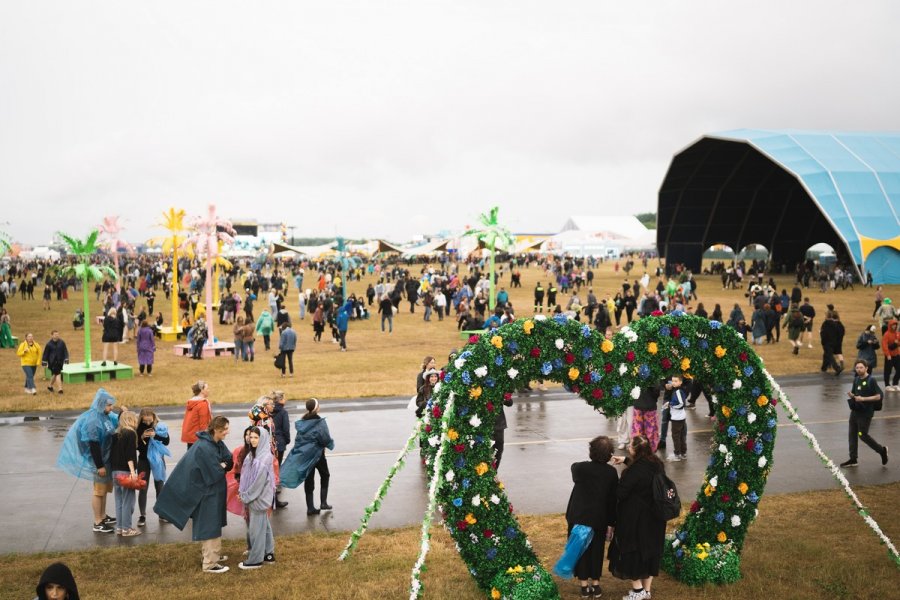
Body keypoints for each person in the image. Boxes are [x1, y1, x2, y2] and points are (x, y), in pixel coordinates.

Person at [155, 416, 233, 573]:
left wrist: (223, 465)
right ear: (216, 430)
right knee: (210, 525)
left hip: (213, 491)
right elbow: (216, 472)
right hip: (207, 493)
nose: (227, 432)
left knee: (213, 523)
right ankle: (210, 563)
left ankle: (212, 555)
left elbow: (229, 459)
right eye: (225, 429)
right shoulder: (205, 448)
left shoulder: (214, 443)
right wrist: (223, 466)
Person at [608, 435, 667, 600]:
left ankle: (638, 591)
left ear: (636, 449)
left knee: (632, 551)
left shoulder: (633, 471)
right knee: (650, 553)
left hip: (636, 519)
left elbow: (621, 493)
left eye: (630, 446)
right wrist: (626, 460)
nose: (628, 448)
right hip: (655, 518)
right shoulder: (657, 463)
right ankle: (647, 591)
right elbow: (644, 473)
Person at [56, 388, 118, 533]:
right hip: (99, 462)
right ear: (102, 405)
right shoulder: (93, 421)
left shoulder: (104, 416)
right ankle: (97, 522)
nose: (111, 408)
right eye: (109, 405)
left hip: (105, 459)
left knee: (103, 491)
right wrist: (99, 465)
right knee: (98, 491)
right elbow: (93, 445)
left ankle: (103, 516)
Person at [564, 436, 617, 599]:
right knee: (596, 550)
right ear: (610, 454)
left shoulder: (581, 469)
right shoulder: (611, 472)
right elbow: (613, 498)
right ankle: (596, 584)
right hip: (599, 519)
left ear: (591, 452)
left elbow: (573, 468)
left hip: (579, 517)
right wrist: (611, 522)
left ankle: (584, 586)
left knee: (579, 550)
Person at [280, 398, 335, 515]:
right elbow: (325, 438)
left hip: (305, 457)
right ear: (317, 408)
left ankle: (310, 508)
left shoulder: (302, 422)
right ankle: (323, 502)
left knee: (309, 480)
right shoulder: (319, 422)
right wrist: (330, 444)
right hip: (318, 455)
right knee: (325, 475)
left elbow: (299, 440)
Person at [237, 426, 277, 569]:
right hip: (256, 498)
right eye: (251, 437)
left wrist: (246, 496)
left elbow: (258, 483)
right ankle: (268, 553)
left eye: (256, 437)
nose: (252, 440)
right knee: (264, 527)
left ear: (263, 438)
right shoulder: (254, 454)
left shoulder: (264, 457)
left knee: (256, 531)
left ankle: (255, 560)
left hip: (258, 499)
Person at [840, 361, 888, 468]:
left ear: (866, 368)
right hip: (855, 411)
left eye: (861, 367)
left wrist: (864, 399)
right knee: (852, 434)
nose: (859, 369)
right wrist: (851, 395)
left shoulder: (871, 380)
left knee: (863, 435)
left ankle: (882, 450)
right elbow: (855, 394)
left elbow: (878, 396)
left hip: (865, 413)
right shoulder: (856, 379)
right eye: (857, 367)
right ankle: (853, 459)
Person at [136, 408, 171, 527]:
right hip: (144, 460)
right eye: (145, 421)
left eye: (149, 420)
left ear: (153, 417)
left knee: (160, 487)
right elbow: (137, 447)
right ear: (141, 419)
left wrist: (155, 435)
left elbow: (166, 441)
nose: (147, 423)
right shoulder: (138, 427)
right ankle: (142, 515)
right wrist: (142, 437)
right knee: (143, 488)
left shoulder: (159, 425)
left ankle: (162, 513)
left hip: (158, 460)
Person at [110, 411, 141, 536]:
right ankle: (127, 529)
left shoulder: (115, 434)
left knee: (119, 501)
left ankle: (120, 528)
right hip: (125, 471)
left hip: (115, 471)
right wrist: (133, 472)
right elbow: (130, 455)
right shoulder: (130, 434)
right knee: (128, 501)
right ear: (131, 420)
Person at [271, 390, 290, 509]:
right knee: (277, 467)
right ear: (281, 400)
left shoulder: (269, 410)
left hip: (270, 442)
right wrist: (287, 440)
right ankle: (275, 496)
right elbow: (286, 428)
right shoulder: (283, 412)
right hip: (280, 442)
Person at [181, 380, 213, 449]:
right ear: (202, 390)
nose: (209, 390)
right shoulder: (202, 404)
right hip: (199, 438)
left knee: (191, 458)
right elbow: (204, 424)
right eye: (207, 389)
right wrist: (206, 439)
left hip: (191, 436)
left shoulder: (192, 402)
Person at [631, 383, 661, 452]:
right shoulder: (653, 374)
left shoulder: (635, 372)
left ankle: (637, 450)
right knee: (651, 431)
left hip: (638, 404)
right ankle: (650, 451)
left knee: (637, 429)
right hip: (650, 405)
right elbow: (656, 390)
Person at [666, 375, 687, 461]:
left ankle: (677, 454)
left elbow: (681, 404)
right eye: (672, 381)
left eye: (676, 381)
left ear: (680, 382)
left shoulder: (678, 391)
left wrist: (670, 404)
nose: (673, 383)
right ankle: (683, 453)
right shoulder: (678, 390)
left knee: (676, 436)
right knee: (681, 436)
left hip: (677, 418)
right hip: (681, 417)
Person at [883, 319, 900, 391]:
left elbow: (898, 343)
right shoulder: (886, 334)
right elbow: (884, 345)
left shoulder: (897, 333)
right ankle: (887, 385)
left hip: (897, 354)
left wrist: (897, 343)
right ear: (890, 326)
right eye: (893, 325)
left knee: (899, 370)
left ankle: (895, 383)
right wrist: (887, 354)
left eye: (895, 325)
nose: (894, 326)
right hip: (889, 356)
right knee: (888, 371)